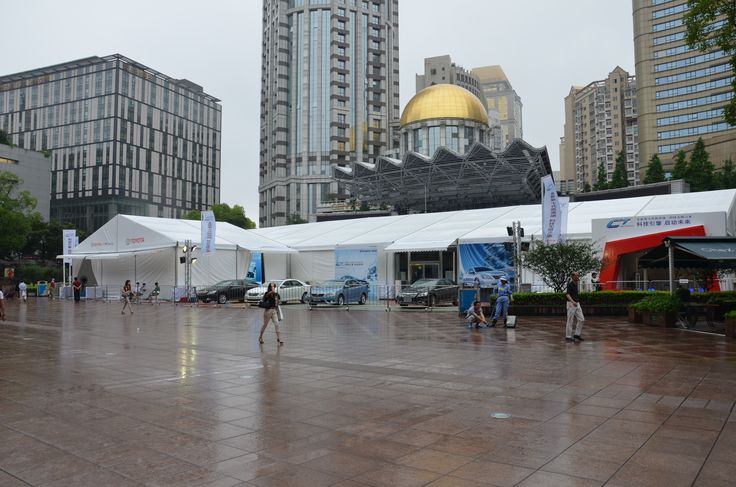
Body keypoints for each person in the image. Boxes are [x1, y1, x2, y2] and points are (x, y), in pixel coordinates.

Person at [565, 272, 585, 342]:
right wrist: (573, 302)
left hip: (577, 303)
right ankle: (568, 336)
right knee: (570, 320)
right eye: (576, 276)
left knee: (581, 319)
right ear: (573, 276)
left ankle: (577, 334)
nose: (578, 277)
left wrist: (576, 302)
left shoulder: (576, 284)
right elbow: (567, 294)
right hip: (571, 304)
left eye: (578, 275)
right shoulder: (570, 284)